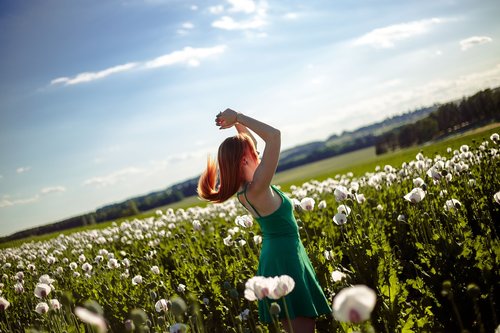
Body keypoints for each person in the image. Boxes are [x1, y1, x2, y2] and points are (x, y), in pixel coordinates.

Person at [198, 108, 331, 332]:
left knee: (297, 325)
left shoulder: (247, 189)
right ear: (243, 161)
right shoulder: (258, 187)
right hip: (285, 257)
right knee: (303, 326)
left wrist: (236, 125)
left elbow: (251, 142)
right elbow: (274, 136)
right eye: (253, 152)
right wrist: (238, 117)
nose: (257, 153)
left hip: (278, 254)